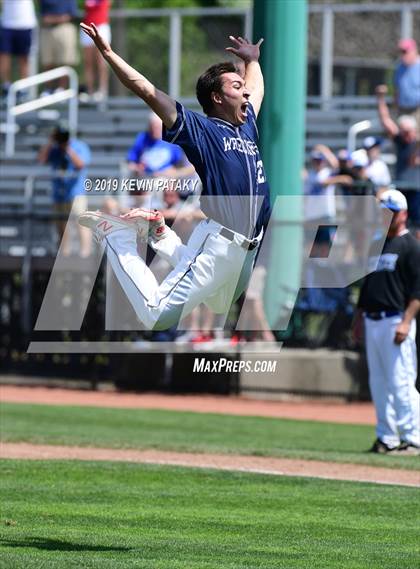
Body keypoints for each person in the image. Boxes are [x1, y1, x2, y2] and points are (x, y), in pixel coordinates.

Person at [78, 24, 269, 333]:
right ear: (217, 98)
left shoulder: (247, 127)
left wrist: (253, 61)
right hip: (220, 243)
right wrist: (109, 54)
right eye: (236, 87)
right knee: (155, 315)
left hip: (246, 249)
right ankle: (117, 236)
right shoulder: (202, 130)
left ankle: (160, 235)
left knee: (220, 303)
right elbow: (145, 89)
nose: (245, 90)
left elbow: (257, 88)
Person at [353, 188, 420, 455]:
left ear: (403, 214)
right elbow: (367, 286)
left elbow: (417, 292)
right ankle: (387, 438)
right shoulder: (376, 244)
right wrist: (358, 317)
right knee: (378, 383)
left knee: (401, 381)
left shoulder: (411, 246)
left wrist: (406, 322)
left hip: (396, 321)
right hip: (372, 320)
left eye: (390, 212)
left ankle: (414, 438)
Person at [38, 125, 92, 257]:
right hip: (59, 194)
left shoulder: (79, 146)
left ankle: (85, 253)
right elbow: (41, 160)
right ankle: (64, 254)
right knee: (61, 226)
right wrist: (51, 141)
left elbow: (80, 164)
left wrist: (67, 148)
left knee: (81, 223)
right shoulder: (54, 149)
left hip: (76, 193)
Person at [375, 84, 420, 237]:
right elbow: (386, 121)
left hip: (417, 190)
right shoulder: (401, 142)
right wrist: (380, 99)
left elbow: (414, 161)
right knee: (399, 226)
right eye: (403, 131)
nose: (406, 135)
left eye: (408, 132)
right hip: (402, 189)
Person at [0, 0, 36, 98]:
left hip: (25, 23)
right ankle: (6, 87)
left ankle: (23, 89)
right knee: (4, 56)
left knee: (24, 57)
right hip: (7, 23)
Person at [39, 0, 78, 92]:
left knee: (65, 61)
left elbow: (71, 14)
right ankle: (48, 90)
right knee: (47, 61)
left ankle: (62, 89)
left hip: (64, 28)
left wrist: (54, 19)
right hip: (47, 29)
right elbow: (43, 15)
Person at [80, 0, 111, 102]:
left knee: (101, 61)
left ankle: (102, 90)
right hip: (87, 26)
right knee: (88, 62)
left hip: (101, 26)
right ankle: (89, 91)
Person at [393, 38, 420, 122]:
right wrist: (395, 108)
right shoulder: (399, 68)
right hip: (402, 110)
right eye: (401, 52)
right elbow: (397, 90)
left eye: (405, 52)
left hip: (417, 110)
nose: (403, 55)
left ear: (414, 51)